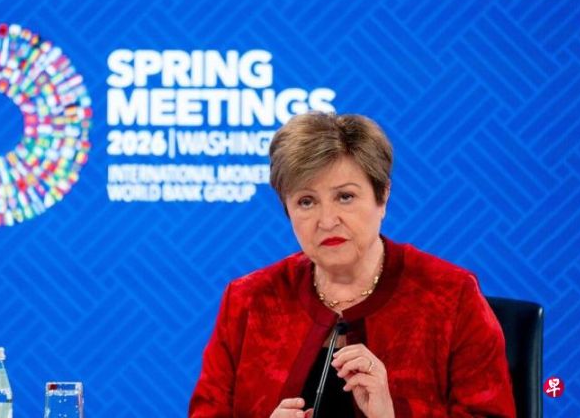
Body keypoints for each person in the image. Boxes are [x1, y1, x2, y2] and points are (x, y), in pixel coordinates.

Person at [189, 113, 516, 417]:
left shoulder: (451, 297)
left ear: (382, 196)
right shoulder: (249, 300)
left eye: (345, 196)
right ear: (288, 210)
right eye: (306, 201)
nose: (327, 220)